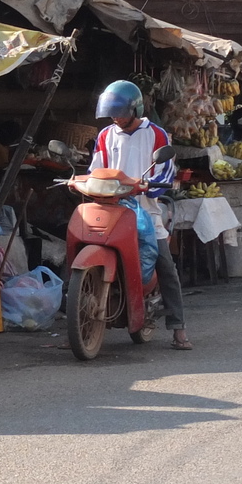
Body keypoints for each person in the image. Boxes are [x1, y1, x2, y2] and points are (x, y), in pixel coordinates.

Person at [89, 80, 192, 349]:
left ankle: (178, 328)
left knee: (166, 266)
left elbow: (166, 172)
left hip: (146, 211)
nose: (115, 118)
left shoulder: (156, 134)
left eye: (120, 113)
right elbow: (96, 169)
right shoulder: (105, 136)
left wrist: (148, 185)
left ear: (134, 110)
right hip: (113, 209)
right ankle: (78, 320)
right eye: (112, 113)